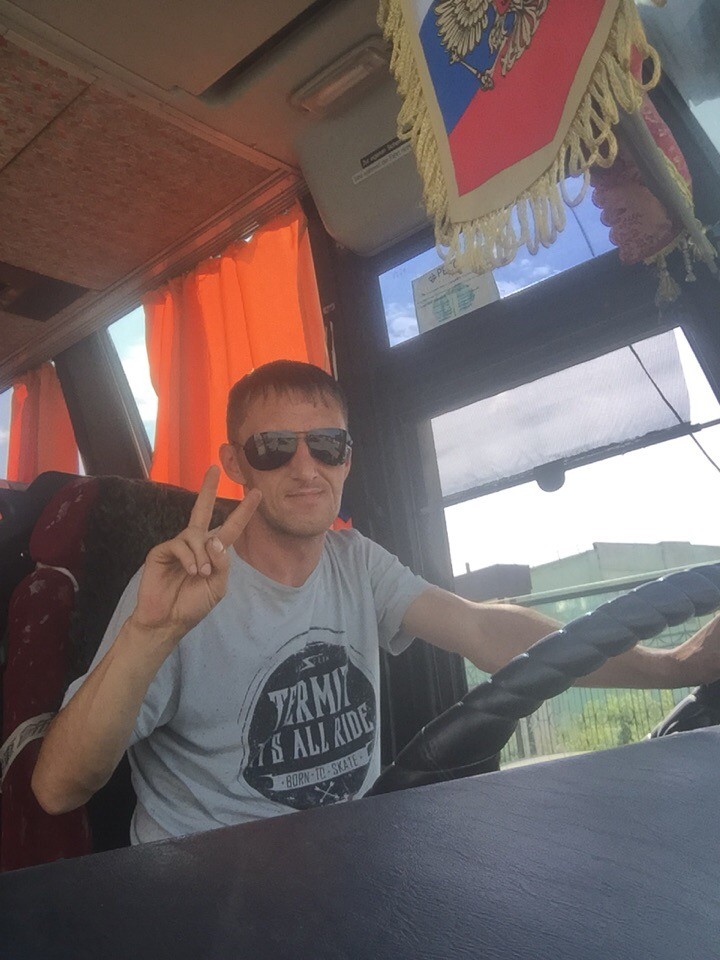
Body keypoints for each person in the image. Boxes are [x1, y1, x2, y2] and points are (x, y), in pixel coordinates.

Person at [32, 360, 720, 843]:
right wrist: (150, 633)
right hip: (214, 895)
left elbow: (482, 630)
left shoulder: (355, 561)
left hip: (354, 864)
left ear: (347, 459)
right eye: (274, 447)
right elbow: (58, 789)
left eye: (327, 445)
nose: (306, 467)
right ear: (236, 462)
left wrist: (673, 666)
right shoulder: (174, 590)